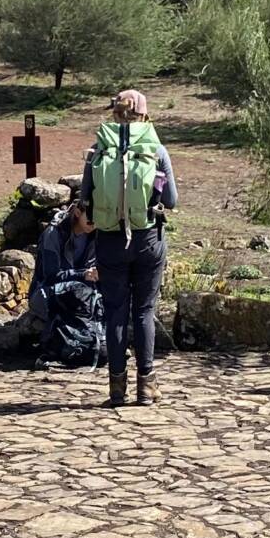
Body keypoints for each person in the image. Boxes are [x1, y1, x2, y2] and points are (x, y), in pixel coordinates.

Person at [83, 89, 179, 407]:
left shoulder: (97, 150)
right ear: (144, 114)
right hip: (148, 240)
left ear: (115, 113)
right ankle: (146, 387)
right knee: (144, 311)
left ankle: (116, 389)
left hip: (110, 241)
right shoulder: (157, 150)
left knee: (115, 312)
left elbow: (85, 199)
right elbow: (172, 201)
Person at [28, 200, 102, 369]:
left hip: (80, 293)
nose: (94, 225)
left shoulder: (94, 234)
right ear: (77, 213)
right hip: (47, 294)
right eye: (91, 220)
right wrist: (83, 274)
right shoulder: (53, 233)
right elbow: (51, 276)